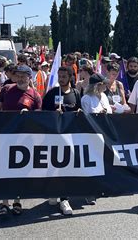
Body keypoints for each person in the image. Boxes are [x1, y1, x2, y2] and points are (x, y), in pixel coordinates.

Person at [0, 65, 41, 216]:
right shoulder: (6, 89)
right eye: (18, 76)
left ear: (29, 78)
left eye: (23, 76)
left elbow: (40, 119)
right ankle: (4, 203)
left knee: (20, 171)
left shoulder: (35, 95)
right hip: (5, 136)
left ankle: (17, 200)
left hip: (25, 140)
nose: (20, 78)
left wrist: (30, 115)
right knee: (4, 170)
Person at [42, 66, 81, 215]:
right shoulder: (52, 94)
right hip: (53, 136)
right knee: (54, 166)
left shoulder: (76, 93)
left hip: (70, 137)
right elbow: (42, 113)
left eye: (64, 76)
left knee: (67, 167)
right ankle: (54, 191)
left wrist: (79, 112)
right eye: (59, 76)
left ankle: (64, 199)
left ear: (70, 77)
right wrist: (53, 114)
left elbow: (80, 110)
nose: (61, 78)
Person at [81, 73, 112, 205]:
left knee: (103, 162)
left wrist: (106, 112)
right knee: (91, 164)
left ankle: (100, 188)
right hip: (91, 134)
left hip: (104, 133)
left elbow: (109, 111)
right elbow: (86, 116)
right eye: (104, 83)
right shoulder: (86, 98)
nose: (106, 85)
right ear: (98, 85)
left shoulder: (104, 96)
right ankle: (89, 192)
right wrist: (98, 114)